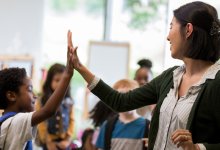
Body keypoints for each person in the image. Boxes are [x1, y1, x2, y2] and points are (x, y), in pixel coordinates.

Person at [68, 1, 220, 149]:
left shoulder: (216, 82)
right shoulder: (170, 76)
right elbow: (121, 101)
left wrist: (198, 148)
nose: (168, 37)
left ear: (188, 30)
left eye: (171, 26)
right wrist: (80, 67)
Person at [0, 31, 77, 150]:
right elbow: (48, 111)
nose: (35, 95)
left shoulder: (7, 122)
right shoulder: (16, 121)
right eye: (30, 90)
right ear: (11, 96)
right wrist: (68, 74)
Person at [95, 79, 150, 150]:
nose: (126, 101)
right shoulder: (107, 126)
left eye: (129, 96)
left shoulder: (148, 126)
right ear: (114, 100)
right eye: (121, 97)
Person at [35, 63, 75, 150]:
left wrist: (68, 140)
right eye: (57, 80)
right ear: (49, 81)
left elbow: (72, 120)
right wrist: (48, 141)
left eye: (63, 81)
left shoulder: (69, 101)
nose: (60, 84)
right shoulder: (42, 100)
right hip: (48, 142)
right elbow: (41, 123)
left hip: (64, 142)